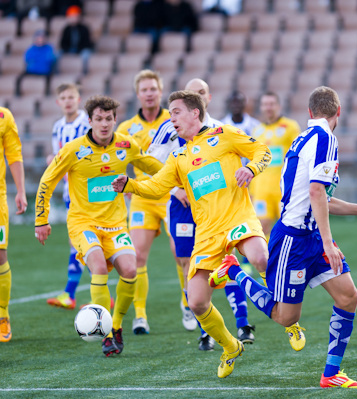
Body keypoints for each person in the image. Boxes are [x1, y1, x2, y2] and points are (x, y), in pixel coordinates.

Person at [207, 86, 357, 388]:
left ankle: (331, 374)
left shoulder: (306, 138)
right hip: (293, 241)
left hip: (310, 236)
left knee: (349, 297)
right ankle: (232, 270)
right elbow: (316, 192)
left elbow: (321, 197)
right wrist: (328, 243)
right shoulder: (325, 139)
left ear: (310, 113)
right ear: (339, 112)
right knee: (285, 318)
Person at [112, 90, 272, 378]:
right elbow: (156, 187)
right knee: (197, 301)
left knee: (260, 258)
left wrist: (250, 168)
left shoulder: (224, 134)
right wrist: (130, 186)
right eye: (170, 113)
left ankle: (286, 311)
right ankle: (231, 346)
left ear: (195, 113)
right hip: (208, 233)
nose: (170, 118)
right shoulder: (179, 156)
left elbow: (263, 151)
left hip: (238, 218)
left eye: (175, 112)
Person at [34, 95, 164, 356]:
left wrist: (181, 175)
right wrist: (41, 220)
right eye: (99, 119)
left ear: (115, 120)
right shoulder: (73, 150)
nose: (104, 124)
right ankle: (104, 334)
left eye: (109, 119)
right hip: (83, 223)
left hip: (116, 225)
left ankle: (115, 326)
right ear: (90, 121)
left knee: (130, 269)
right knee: (96, 266)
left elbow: (152, 165)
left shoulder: (127, 145)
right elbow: (47, 182)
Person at [147, 78, 257, 351]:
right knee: (188, 264)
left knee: (228, 261)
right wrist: (176, 189)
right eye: (192, 93)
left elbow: (238, 163)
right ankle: (203, 328)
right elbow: (152, 162)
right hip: (183, 206)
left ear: (208, 98)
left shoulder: (220, 129)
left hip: (219, 209)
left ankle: (242, 322)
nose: (197, 96)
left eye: (201, 92)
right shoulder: (168, 127)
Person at [115, 69, 171, 335]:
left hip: (173, 196)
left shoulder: (174, 120)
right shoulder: (126, 128)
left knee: (182, 254)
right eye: (144, 89)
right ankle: (140, 316)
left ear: (160, 92)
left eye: (153, 89)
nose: (149, 93)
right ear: (138, 94)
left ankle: (187, 306)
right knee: (137, 256)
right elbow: (114, 159)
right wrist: (125, 182)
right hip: (142, 198)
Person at [45, 83, 90, 310]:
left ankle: (73, 293)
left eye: (71, 96)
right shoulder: (57, 127)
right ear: (58, 102)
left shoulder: (87, 124)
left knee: (85, 241)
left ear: (78, 98)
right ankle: (74, 293)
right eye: (63, 97)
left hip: (87, 192)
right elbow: (59, 157)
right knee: (77, 243)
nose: (68, 101)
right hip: (68, 192)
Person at [250, 92, 301, 237]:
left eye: (271, 104)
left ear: (278, 106)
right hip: (261, 191)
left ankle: (286, 259)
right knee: (260, 230)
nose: (268, 108)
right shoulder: (257, 131)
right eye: (265, 104)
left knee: (287, 228)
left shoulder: (290, 127)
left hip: (283, 190)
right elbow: (254, 161)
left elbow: (298, 157)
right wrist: (252, 191)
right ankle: (265, 260)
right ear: (261, 107)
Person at [0, 106, 27, 343]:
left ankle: (2, 315)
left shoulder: (3, 116)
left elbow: (14, 154)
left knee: (0, 256)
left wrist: (20, 190)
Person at [58, 5, 93, 74]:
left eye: (75, 16)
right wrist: (68, 49)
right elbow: (62, 43)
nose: (74, 18)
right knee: (57, 55)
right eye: (72, 16)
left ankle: (84, 72)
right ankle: (58, 73)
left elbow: (87, 43)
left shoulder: (84, 28)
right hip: (68, 50)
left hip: (81, 50)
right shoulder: (66, 29)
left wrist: (78, 50)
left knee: (86, 54)